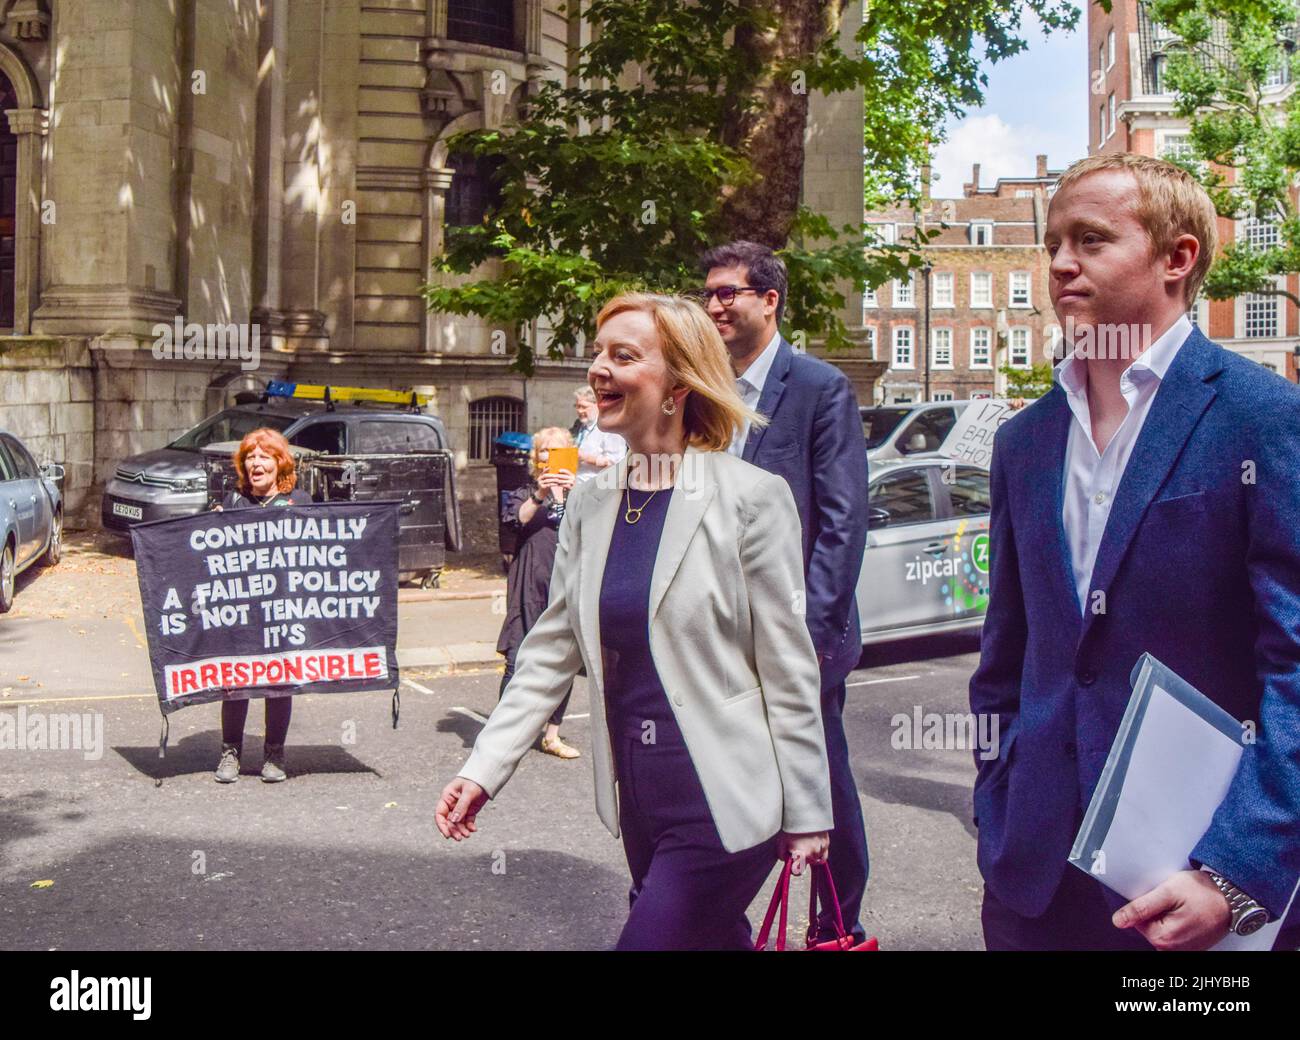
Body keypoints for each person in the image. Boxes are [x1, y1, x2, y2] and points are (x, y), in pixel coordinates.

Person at [970, 152, 1300, 951]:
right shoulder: (1024, 441)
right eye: (1052, 244)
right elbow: (1007, 656)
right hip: (1035, 887)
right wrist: (998, 807)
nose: (1058, 265)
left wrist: (1236, 869)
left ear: (1177, 257)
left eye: (1089, 240)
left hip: (1198, 891)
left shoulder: (1261, 417)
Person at [436, 292, 834, 950]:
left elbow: (788, 668)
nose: (598, 369)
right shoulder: (591, 503)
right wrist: (484, 768)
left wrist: (809, 809)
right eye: (598, 353)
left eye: (623, 356)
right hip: (640, 802)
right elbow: (549, 652)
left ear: (679, 385)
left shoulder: (751, 499)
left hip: (726, 804)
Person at [697, 241, 871, 944]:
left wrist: (813, 635)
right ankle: (711, 914)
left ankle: (837, 920)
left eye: (729, 293)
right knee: (720, 772)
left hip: (801, 630)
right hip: (716, 630)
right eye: (708, 293)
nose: (714, 306)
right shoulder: (699, 388)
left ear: (769, 300)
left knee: (818, 774)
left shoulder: (819, 387)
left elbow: (842, 519)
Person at [212, 427, 312, 784]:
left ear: (278, 463)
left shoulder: (300, 501)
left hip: (282, 609)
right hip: (242, 610)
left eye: (263, 457)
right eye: (250, 457)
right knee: (236, 682)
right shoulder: (234, 502)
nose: (256, 463)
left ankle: (274, 754)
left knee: (278, 682)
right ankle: (230, 752)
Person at [496, 426, 580, 759]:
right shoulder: (525, 491)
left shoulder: (582, 494)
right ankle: (503, 732)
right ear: (536, 457)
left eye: (558, 451)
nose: (550, 457)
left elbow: (590, 529)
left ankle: (552, 735)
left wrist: (570, 495)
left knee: (563, 659)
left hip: (566, 583)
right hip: (529, 582)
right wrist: (541, 495)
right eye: (545, 451)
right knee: (518, 657)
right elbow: (513, 522)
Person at [572, 385, 627, 481]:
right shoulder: (578, 426)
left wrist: (585, 457)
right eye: (577, 406)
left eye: (584, 407)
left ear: (598, 405)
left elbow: (616, 463)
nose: (579, 411)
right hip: (575, 484)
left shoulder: (610, 429)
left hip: (598, 486)